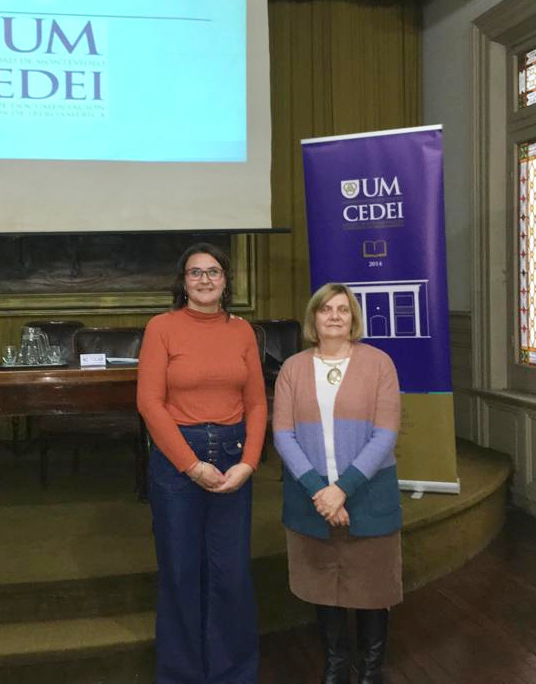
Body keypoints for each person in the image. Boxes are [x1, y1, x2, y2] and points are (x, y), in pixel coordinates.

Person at [137, 242, 267, 684]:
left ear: (226, 280)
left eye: (214, 272)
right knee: (180, 571)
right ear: (183, 282)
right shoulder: (161, 328)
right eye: (196, 273)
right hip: (177, 462)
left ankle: (234, 673)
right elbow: (150, 404)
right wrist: (192, 465)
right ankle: (182, 675)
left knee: (230, 573)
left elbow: (257, 403)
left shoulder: (243, 332)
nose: (205, 279)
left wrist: (249, 462)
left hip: (233, 458)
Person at [272, 283, 402, 684]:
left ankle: (369, 671)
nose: (333, 316)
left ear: (353, 319)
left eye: (343, 310)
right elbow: (282, 435)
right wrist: (320, 490)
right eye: (325, 309)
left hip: (366, 495)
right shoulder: (292, 368)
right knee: (323, 585)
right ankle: (335, 665)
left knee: (371, 586)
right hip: (310, 497)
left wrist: (341, 490)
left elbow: (385, 435)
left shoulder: (380, 364)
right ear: (314, 318)